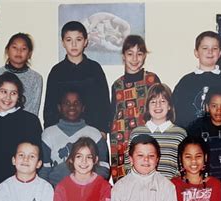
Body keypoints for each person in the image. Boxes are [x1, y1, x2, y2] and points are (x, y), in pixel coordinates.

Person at [42, 21, 110, 132]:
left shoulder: (95, 69)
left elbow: (104, 103)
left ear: (85, 42)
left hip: (92, 130)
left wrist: (102, 130)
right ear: (63, 43)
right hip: (62, 131)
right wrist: (50, 132)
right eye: (69, 40)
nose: (74, 45)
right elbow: (50, 107)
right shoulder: (56, 71)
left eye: (78, 40)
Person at [110, 35, 161, 182]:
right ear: (123, 56)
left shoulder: (152, 80)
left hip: (145, 137)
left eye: (139, 54)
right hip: (122, 140)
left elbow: (159, 109)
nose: (134, 59)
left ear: (144, 56)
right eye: (130, 54)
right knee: (125, 182)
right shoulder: (117, 85)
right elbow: (113, 115)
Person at [173, 31, 221, 129]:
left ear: (220, 53)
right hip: (192, 139)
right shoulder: (185, 82)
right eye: (205, 48)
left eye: (214, 48)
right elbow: (176, 113)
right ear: (196, 52)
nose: (210, 52)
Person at [40, 88, 110, 187]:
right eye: (67, 103)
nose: (72, 106)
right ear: (59, 107)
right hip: (57, 190)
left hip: (88, 190)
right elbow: (44, 169)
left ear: (83, 108)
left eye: (76, 103)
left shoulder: (95, 134)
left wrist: (86, 182)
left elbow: (104, 167)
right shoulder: (48, 134)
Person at [128, 83, 187, 179]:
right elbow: (128, 164)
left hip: (170, 188)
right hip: (141, 188)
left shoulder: (180, 134)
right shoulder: (136, 133)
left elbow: (183, 166)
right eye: (153, 102)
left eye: (163, 101)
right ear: (147, 107)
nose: (158, 105)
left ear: (169, 106)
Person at [0, 33, 43, 116]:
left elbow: (33, 110)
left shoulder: (36, 78)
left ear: (29, 54)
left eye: (23, 49)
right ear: (7, 50)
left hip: (24, 124)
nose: (19, 51)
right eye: (14, 47)